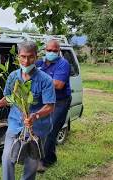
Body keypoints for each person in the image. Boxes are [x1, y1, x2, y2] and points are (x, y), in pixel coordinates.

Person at [0, 41, 56, 180]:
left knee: (31, 164)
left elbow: (50, 106)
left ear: (36, 57)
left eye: (30, 57)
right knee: (7, 159)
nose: (26, 61)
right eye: (23, 56)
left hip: (37, 128)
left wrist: (35, 115)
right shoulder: (13, 76)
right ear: (18, 57)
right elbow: (8, 98)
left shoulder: (45, 80)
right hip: (15, 124)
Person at [35, 40, 72, 171]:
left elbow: (58, 84)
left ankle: (44, 161)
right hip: (45, 100)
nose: (51, 53)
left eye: (54, 50)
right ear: (45, 50)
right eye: (49, 50)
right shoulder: (40, 63)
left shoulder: (63, 64)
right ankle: (51, 157)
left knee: (50, 130)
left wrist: (38, 80)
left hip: (60, 101)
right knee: (41, 128)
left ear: (59, 50)